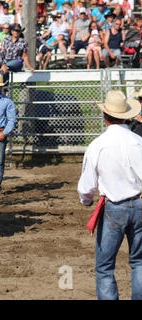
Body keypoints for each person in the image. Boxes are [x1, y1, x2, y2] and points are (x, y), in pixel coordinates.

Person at [77, 89, 142, 300]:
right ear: (126, 116)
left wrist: (86, 201)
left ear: (105, 116)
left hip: (113, 207)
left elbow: (86, 188)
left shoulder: (97, 145)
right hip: (139, 203)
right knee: (139, 262)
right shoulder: (138, 141)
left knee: (105, 267)